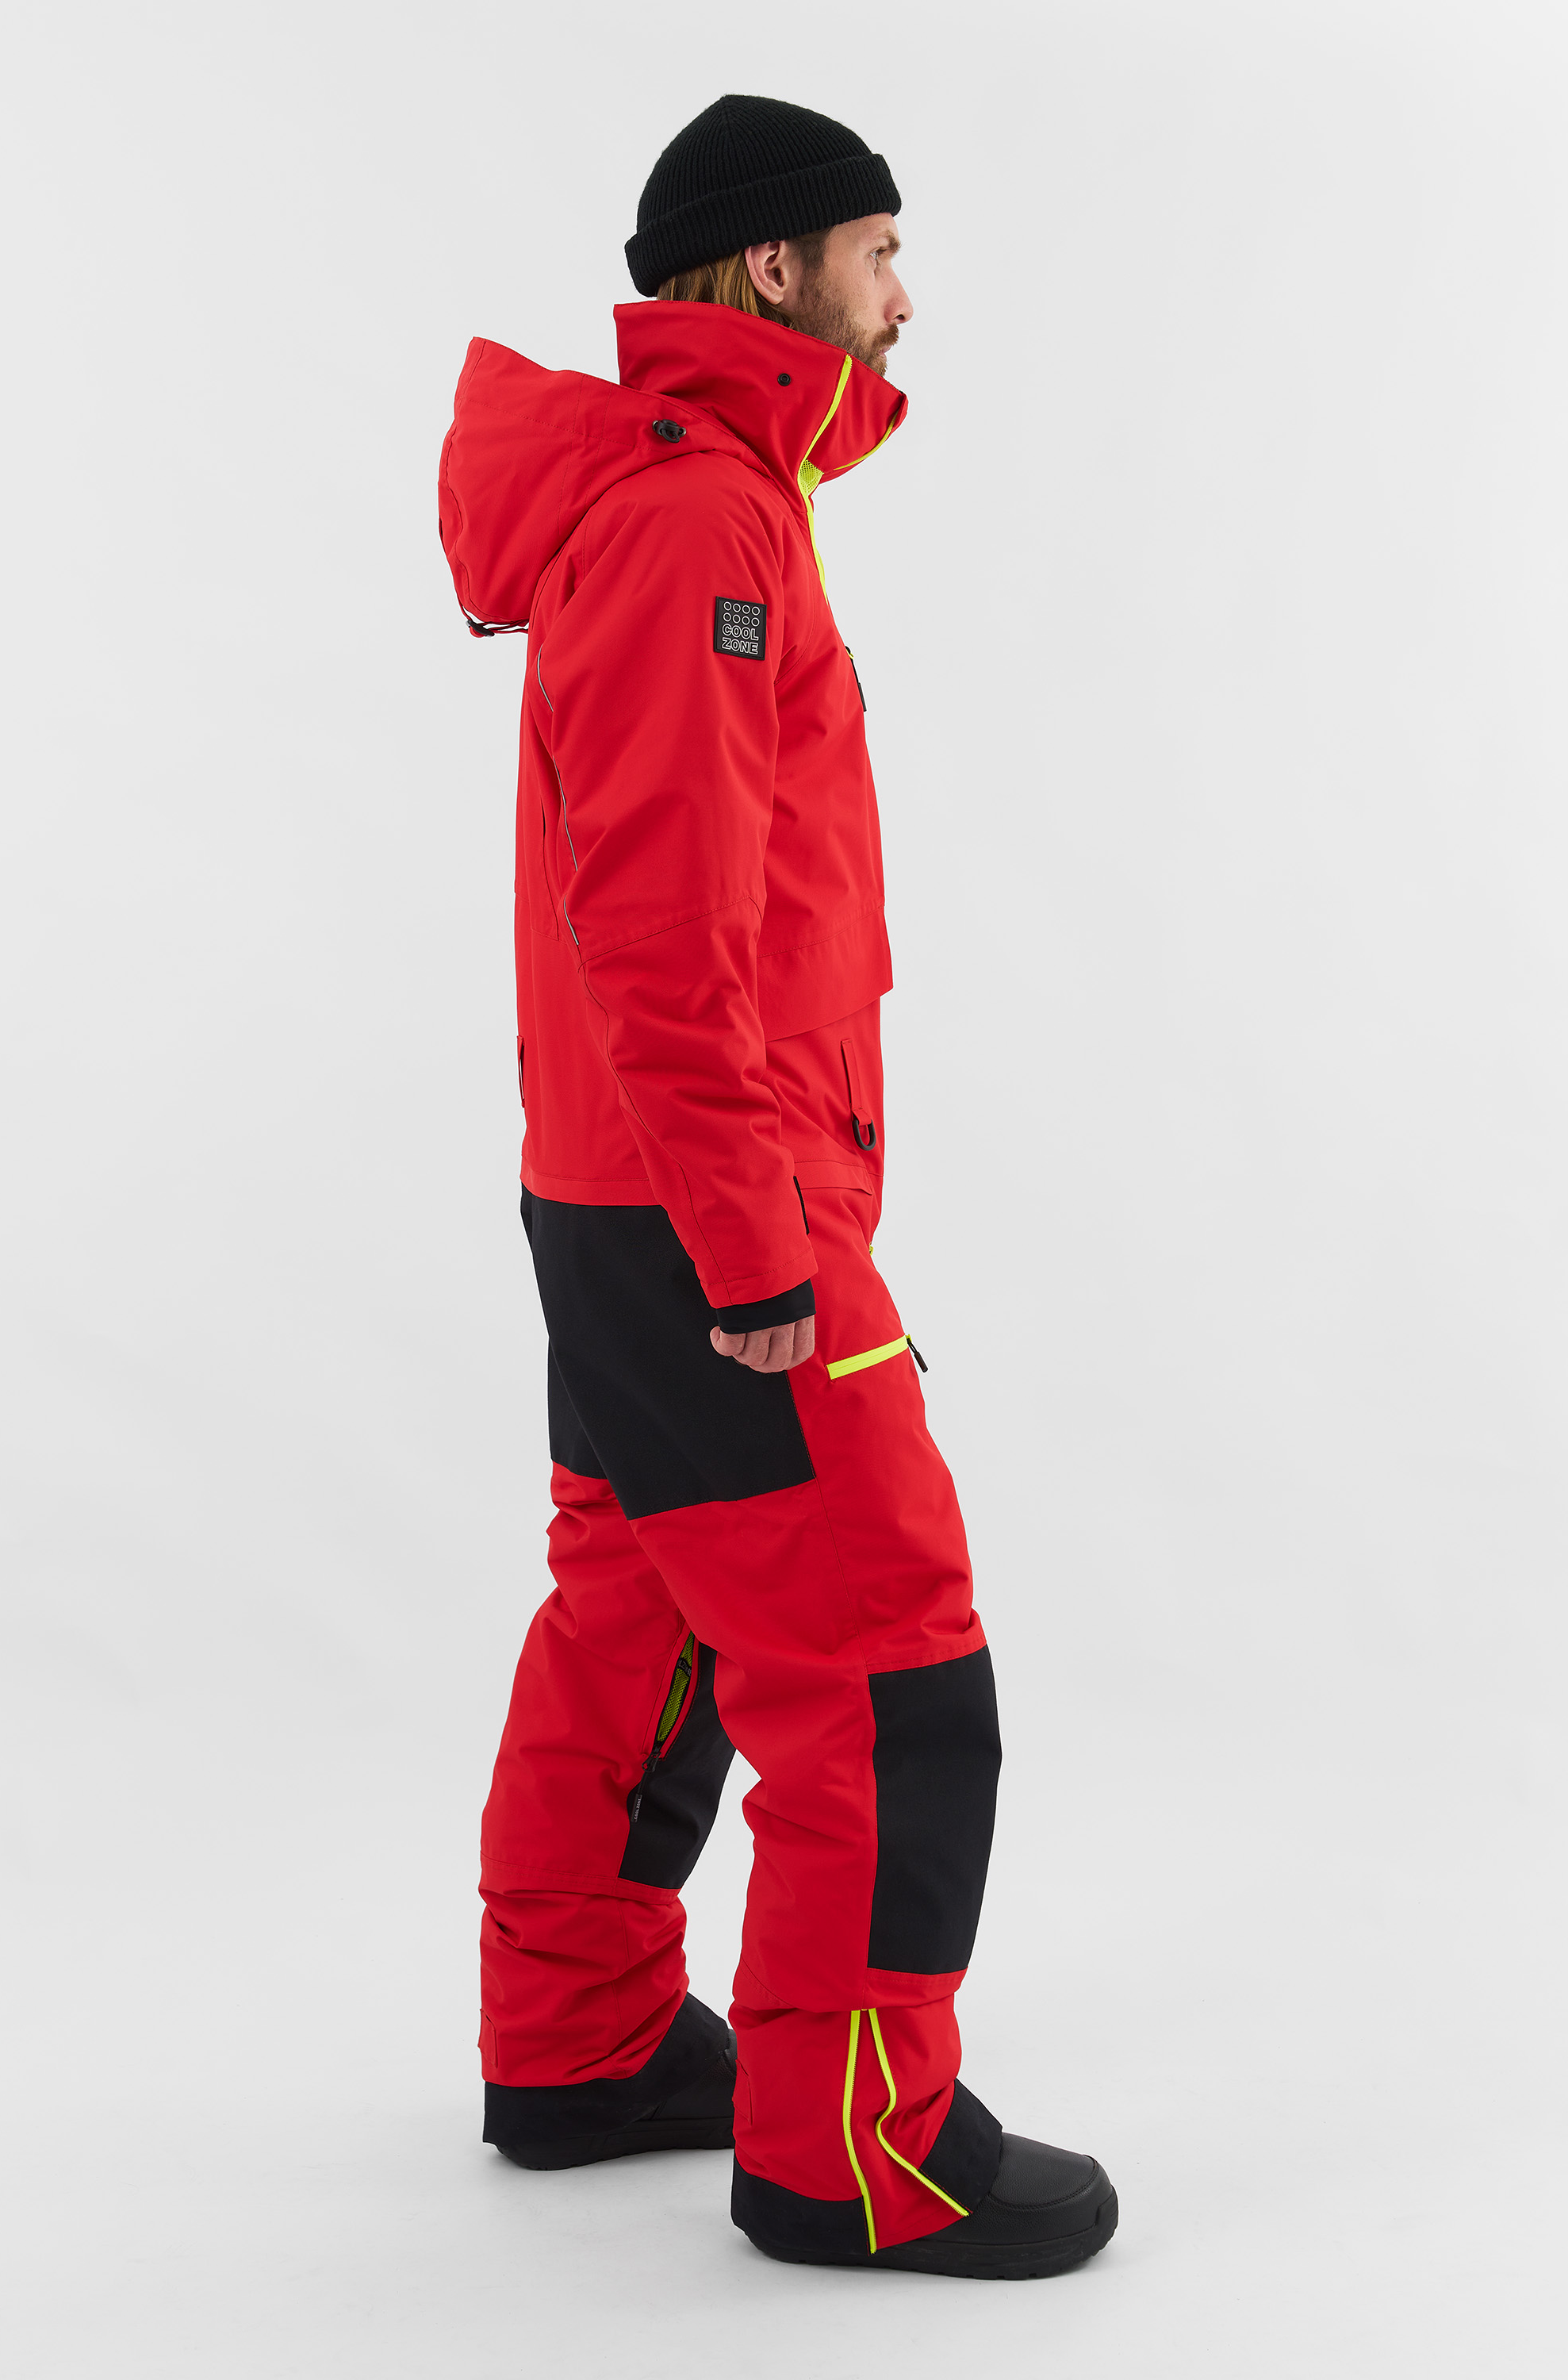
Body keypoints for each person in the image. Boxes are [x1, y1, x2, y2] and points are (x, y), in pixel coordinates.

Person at [438, 91, 1117, 2280]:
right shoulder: (693, 526)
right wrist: (757, 1247)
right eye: (878, 251)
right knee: (891, 1661)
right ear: (770, 271)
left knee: (641, 1607)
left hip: (626, 1184)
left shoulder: (697, 501)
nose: (906, 296)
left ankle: (579, 2042)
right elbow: (665, 923)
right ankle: (854, 2157)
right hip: (712, 1206)